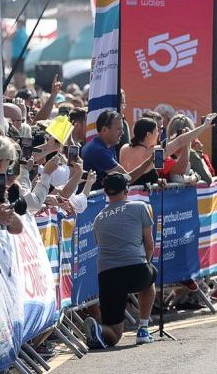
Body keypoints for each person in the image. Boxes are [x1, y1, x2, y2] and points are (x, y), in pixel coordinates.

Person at [84, 173, 156, 348]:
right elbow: (149, 245)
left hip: (107, 275)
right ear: (126, 190)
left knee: (114, 336)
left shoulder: (98, 219)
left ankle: (99, 330)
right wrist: (145, 263)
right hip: (135, 268)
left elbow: (101, 245)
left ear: (106, 194)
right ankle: (143, 329)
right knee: (150, 279)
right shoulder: (140, 206)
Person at [82, 111, 154, 190]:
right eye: (118, 129)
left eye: (122, 129)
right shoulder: (98, 151)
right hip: (92, 200)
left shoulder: (107, 145)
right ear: (104, 130)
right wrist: (149, 160)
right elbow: (127, 179)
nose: (122, 133)